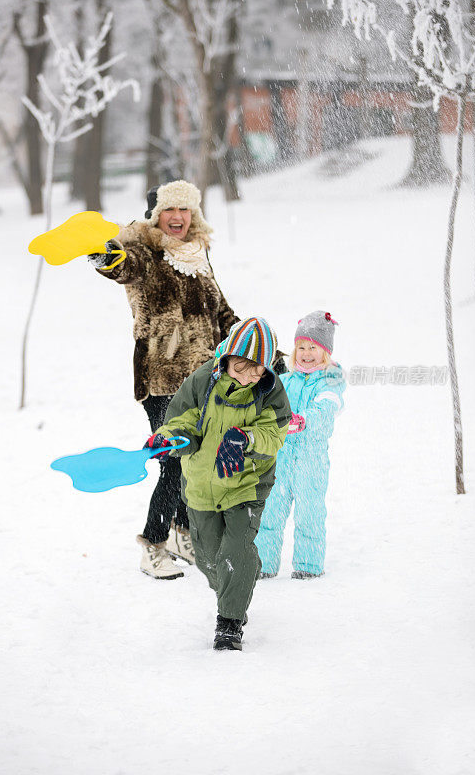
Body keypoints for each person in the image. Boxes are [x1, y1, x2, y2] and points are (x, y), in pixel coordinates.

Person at [88, 180, 240, 580]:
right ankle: (153, 546)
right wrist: (103, 254)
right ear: (155, 215)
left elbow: (221, 312)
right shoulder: (146, 252)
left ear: (195, 215)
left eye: (185, 210)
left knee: (196, 458)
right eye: (169, 210)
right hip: (162, 378)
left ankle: (182, 534)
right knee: (173, 463)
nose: (177, 218)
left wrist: (256, 346)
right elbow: (122, 265)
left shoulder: (198, 254)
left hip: (203, 377)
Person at [143, 317, 291, 650]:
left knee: (235, 551)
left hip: (246, 485)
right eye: (242, 367)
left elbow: (274, 432)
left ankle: (230, 623)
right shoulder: (201, 382)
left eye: (258, 370)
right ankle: (237, 584)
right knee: (209, 558)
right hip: (201, 486)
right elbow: (183, 421)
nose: (249, 376)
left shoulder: (270, 390)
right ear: (226, 359)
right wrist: (169, 439)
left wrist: (246, 438)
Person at [255, 311, 346, 579]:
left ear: (325, 351)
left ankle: (307, 565)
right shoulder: (285, 380)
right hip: (280, 460)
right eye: (301, 347)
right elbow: (267, 405)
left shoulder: (331, 381)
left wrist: (304, 420)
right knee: (270, 513)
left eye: (313, 348)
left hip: (311, 461)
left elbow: (328, 407)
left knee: (309, 514)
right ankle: (263, 564)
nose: (306, 353)